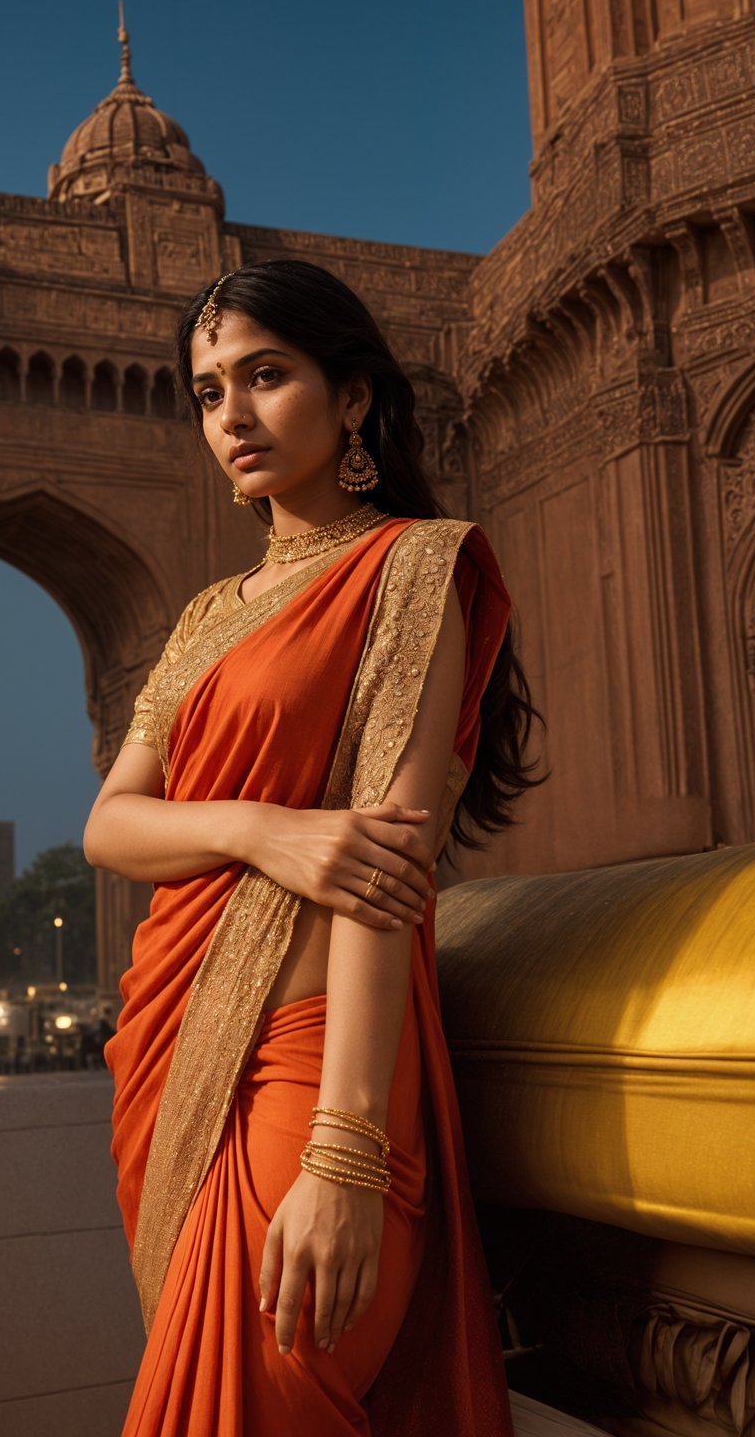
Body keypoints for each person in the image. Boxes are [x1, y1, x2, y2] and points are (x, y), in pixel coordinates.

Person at [83, 259, 543, 1436]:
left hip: (317, 1068)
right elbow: (110, 826)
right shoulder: (206, 617)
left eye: (265, 376)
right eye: (205, 391)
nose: (230, 415)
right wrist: (263, 830)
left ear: (351, 399)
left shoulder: (412, 567)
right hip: (171, 1059)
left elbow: (385, 870)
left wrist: (345, 1153)